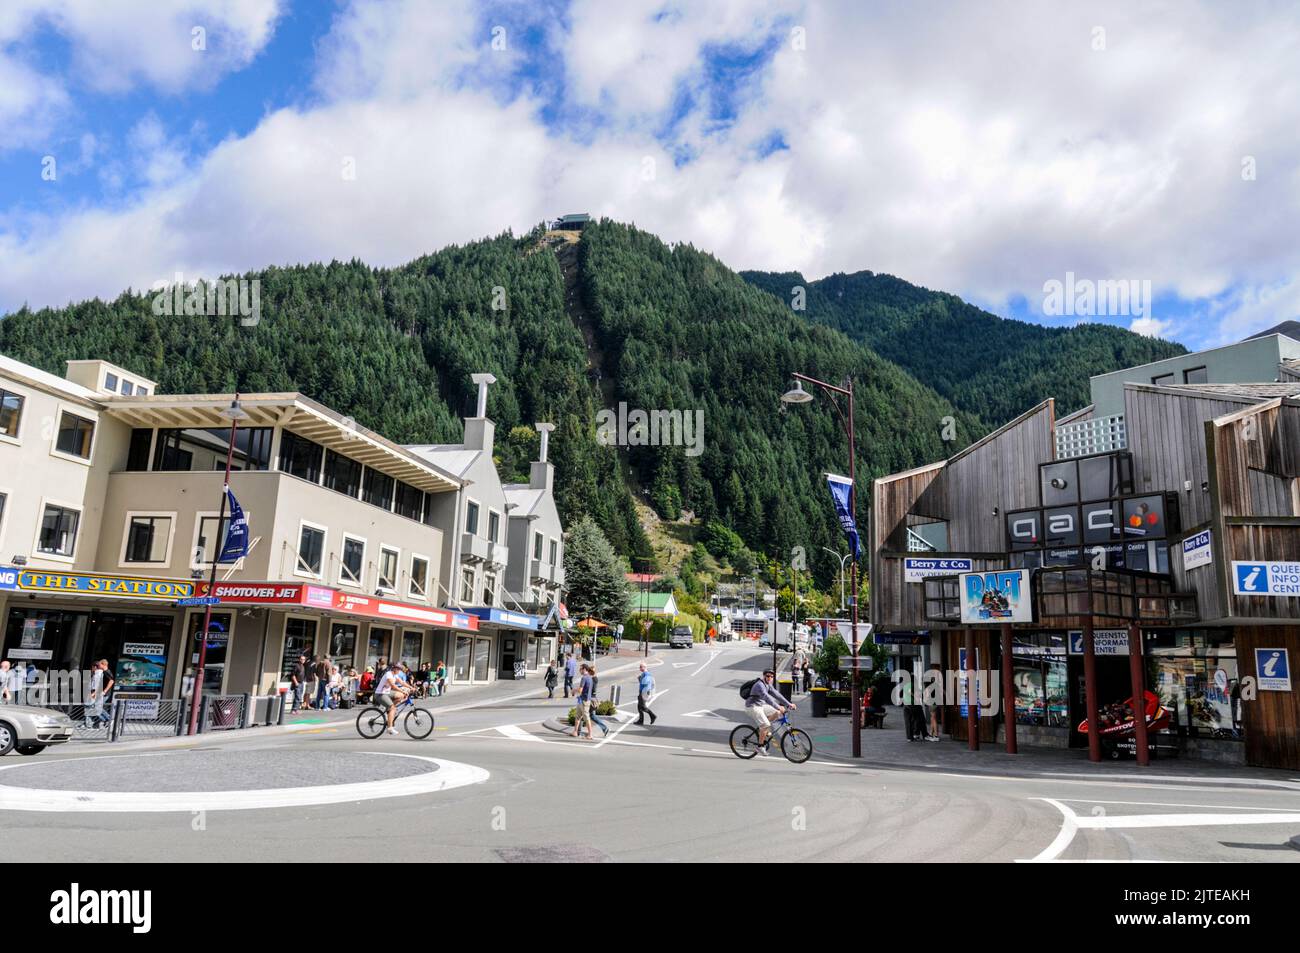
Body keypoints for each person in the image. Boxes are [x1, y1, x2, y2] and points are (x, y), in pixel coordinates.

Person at [745, 669, 793, 755]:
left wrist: (789, 704)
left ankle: (764, 730)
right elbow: (767, 698)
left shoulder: (768, 685)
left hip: (760, 706)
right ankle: (760, 747)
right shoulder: (760, 685)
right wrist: (778, 706)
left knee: (777, 712)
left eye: (771, 676)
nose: (769, 678)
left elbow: (777, 695)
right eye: (767, 676)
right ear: (764, 676)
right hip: (752, 706)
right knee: (766, 724)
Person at [373, 662, 410, 735]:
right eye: (398, 669)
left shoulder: (395, 675)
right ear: (394, 668)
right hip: (380, 694)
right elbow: (393, 686)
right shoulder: (389, 674)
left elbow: (402, 682)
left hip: (387, 693)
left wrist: (411, 687)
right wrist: (403, 691)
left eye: (400, 669)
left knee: (401, 695)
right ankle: (389, 728)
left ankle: (389, 709)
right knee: (393, 708)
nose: (399, 671)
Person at [571, 664, 595, 740]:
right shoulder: (590, 677)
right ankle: (575, 732)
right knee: (578, 716)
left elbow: (580, 690)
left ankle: (590, 734)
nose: (579, 670)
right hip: (583, 700)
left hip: (584, 701)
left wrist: (574, 690)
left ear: (584, 669)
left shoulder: (584, 678)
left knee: (586, 717)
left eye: (580, 669)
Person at [586, 664, 610, 737]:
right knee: (591, 715)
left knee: (585, 714)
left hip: (590, 698)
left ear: (589, 672)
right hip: (594, 697)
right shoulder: (595, 678)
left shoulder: (592, 679)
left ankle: (581, 731)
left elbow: (590, 689)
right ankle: (604, 728)